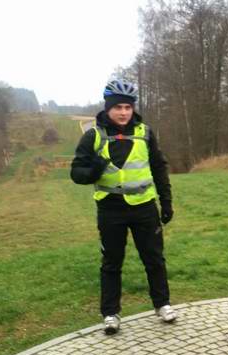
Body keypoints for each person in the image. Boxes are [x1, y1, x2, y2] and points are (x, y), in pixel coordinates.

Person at [71, 76, 176, 335]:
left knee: (154, 259)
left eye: (128, 107)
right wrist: (95, 168)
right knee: (111, 263)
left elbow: (159, 168)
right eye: (118, 107)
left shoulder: (145, 133)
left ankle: (162, 304)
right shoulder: (94, 136)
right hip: (111, 209)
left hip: (144, 207)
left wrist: (166, 201)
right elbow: (77, 174)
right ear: (108, 108)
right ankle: (110, 313)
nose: (123, 112)